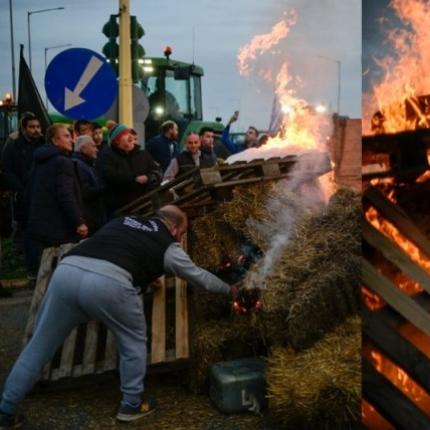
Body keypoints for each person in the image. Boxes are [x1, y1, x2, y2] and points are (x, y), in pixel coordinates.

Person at [0, 205, 237, 427]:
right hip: (110, 283)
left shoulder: (125, 220)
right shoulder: (169, 245)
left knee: (39, 345)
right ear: (174, 227)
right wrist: (230, 289)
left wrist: (144, 272)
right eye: (181, 233)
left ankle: (6, 410)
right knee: (133, 341)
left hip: (68, 271)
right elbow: (199, 277)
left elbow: (116, 249)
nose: (180, 239)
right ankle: (131, 405)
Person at [24, 124, 88, 277]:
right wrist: (78, 221)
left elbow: (29, 191)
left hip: (41, 225)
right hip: (60, 226)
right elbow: (65, 194)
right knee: (64, 270)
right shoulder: (62, 162)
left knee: (47, 270)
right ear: (55, 141)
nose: (71, 140)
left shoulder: (40, 161)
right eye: (66, 136)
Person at [1, 112, 45, 263]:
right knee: (20, 224)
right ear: (24, 128)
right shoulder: (14, 144)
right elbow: (6, 169)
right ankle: (16, 256)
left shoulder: (43, 143)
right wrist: (20, 188)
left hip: (39, 192)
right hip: (21, 192)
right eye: (32, 127)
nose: (36, 130)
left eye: (38, 126)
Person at [98, 123, 161, 215]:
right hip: (121, 210)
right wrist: (134, 178)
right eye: (126, 134)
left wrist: (148, 177)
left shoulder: (143, 154)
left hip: (146, 207)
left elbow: (157, 172)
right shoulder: (107, 156)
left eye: (131, 134)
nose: (131, 136)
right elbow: (109, 176)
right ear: (117, 140)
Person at [73, 135, 106, 234]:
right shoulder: (78, 165)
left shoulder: (87, 164)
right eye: (93, 146)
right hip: (89, 218)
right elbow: (84, 191)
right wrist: (104, 189)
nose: (97, 150)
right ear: (83, 148)